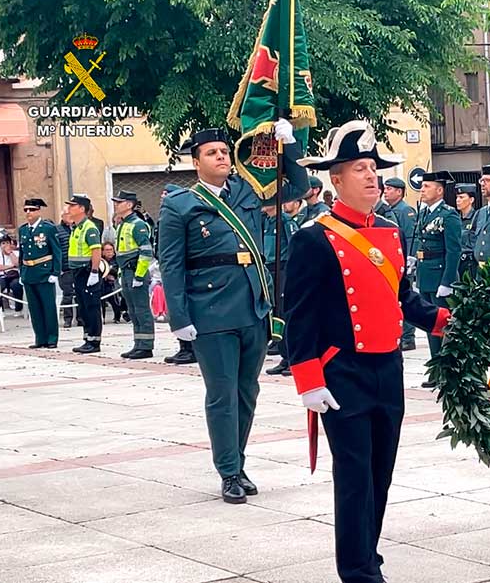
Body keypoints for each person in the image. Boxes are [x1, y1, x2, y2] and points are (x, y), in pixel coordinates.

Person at [286, 120, 449, 583]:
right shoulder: (314, 237)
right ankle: (357, 570)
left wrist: (444, 320)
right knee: (355, 476)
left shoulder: (391, 231)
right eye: (360, 168)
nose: (372, 176)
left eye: (374, 168)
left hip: (387, 367)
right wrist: (308, 380)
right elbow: (300, 315)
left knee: (381, 473)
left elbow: (405, 298)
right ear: (335, 179)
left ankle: (367, 553)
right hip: (342, 373)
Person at [158, 122, 306, 503]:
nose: (222, 157)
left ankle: (237, 464)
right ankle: (228, 472)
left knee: (247, 392)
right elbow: (171, 264)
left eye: (224, 152)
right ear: (196, 162)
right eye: (212, 153)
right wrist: (180, 317)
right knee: (222, 395)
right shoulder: (180, 204)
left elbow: (298, 186)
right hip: (210, 312)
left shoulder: (246, 190)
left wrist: (288, 144)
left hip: (253, 307)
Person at [411, 169, 462, 382]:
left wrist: (448, 281)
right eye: (423, 186)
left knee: (444, 326)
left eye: (427, 186)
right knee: (430, 324)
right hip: (425, 275)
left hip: (440, 275)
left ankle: (448, 369)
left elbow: (454, 250)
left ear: (439, 190)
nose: (423, 189)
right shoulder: (424, 212)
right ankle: (436, 370)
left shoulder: (448, 215)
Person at [112, 190, 156, 358]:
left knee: (141, 309)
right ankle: (138, 343)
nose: (116, 205)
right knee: (132, 310)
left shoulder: (137, 224)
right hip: (126, 272)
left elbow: (146, 252)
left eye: (119, 202)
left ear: (129, 205)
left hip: (136, 272)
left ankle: (146, 346)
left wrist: (139, 276)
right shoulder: (123, 224)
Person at [158, 184, 196, 366]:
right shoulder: (166, 216)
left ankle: (190, 348)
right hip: (172, 270)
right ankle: (184, 347)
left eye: (166, 195)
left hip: (185, 271)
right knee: (175, 307)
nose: (162, 198)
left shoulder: (183, 216)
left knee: (184, 308)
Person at [262, 197, 301, 376]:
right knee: (276, 313)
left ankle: (293, 358)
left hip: (284, 268)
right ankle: (284, 356)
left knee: (286, 313)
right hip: (269, 269)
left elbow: (295, 245)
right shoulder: (265, 221)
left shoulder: (284, 220)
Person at [17, 198, 62, 348]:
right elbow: (22, 254)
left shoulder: (48, 228)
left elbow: (56, 251)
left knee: (48, 307)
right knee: (34, 309)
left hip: (44, 273)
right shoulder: (23, 229)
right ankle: (40, 338)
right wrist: (21, 272)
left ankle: (51, 338)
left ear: (38, 211)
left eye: (31, 209)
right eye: (26, 210)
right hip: (29, 273)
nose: (28, 213)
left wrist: (55, 272)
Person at [65, 194, 104, 353]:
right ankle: (87, 338)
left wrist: (94, 272)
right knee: (83, 306)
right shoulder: (77, 227)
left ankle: (94, 341)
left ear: (82, 209)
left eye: (72, 205)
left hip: (87, 270)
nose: (69, 208)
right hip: (78, 272)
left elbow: (96, 250)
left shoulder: (89, 227)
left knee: (91, 306)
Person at [382, 177, 418, 350]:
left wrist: (410, 258)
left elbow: (411, 237)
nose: (386, 191)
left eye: (390, 189)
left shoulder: (406, 211)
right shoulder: (389, 210)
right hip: (392, 262)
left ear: (399, 191)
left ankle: (408, 336)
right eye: (385, 188)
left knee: (405, 297)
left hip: (405, 260)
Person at [0, 234, 22, 316]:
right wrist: (11, 266)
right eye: (3, 243)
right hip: (0, 276)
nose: (5, 245)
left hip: (14, 276)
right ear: (0, 245)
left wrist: (10, 253)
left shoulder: (17, 253)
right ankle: (0, 310)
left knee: (17, 285)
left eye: (7, 243)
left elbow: (18, 264)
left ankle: (18, 308)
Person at [57, 209, 76, 328]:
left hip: (78, 266)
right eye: (68, 215)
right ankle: (67, 319)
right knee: (67, 294)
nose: (70, 217)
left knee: (79, 293)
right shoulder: (57, 230)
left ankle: (80, 318)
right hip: (65, 267)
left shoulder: (77, 228)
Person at [456, 183, 479, 277]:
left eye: (461, 197)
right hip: (457, 264)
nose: (458, 200)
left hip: (470, 265)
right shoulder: (455, 219)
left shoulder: (477, 217)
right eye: (457, 197)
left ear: (471, 200)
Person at [100, 242, 126, 323]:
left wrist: (111, 271)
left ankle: (121, 313)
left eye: (111, 250)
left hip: (116, 283)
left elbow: (118, 272)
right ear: (102, 251)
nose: (109, 252)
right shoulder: (100, 260)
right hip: (102, 284)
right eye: (107, 250)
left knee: (119, 292)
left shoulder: (117, 260)